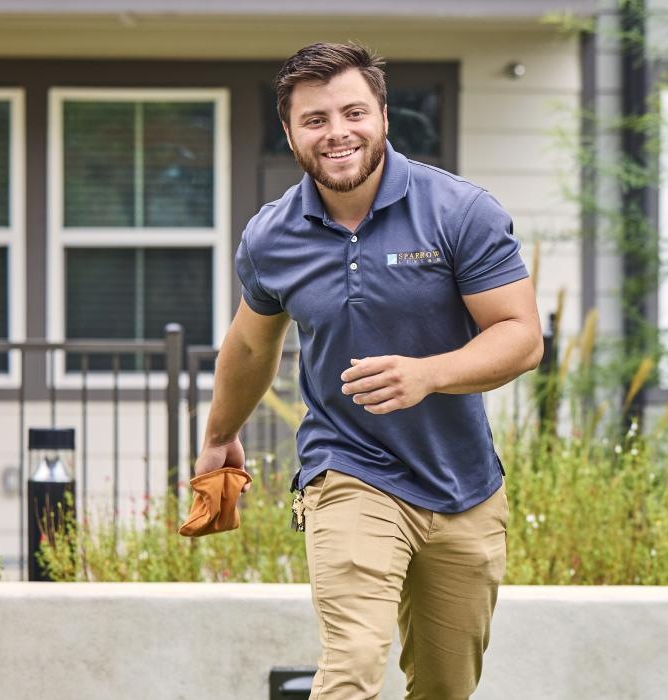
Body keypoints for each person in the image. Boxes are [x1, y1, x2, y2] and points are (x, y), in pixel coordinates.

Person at [194, 42, 542, 700]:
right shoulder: (272, 237)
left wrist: (429, 374)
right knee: (352, 659)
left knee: (445, 686)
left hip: (462, 486)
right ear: (290, 131)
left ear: (383, 114)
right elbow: (248, 346)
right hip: (348, 470)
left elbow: (521, 337)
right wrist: (219, 437)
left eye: (353, 112)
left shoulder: (457, 211)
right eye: (315, 120)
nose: (337, 133)